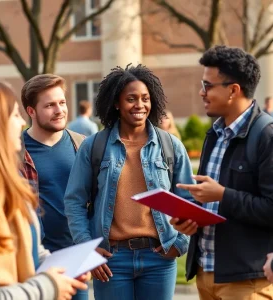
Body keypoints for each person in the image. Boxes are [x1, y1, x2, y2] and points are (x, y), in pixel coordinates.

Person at [64, 64, 194, 300]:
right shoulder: (94, 147)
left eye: (145, 98)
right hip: (112, 259)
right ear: (116, 103)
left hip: (160, 257)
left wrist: (180, 243)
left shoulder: (170, 146)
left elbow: (189, 200)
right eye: (131, 99)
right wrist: (88, 249)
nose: (139, 105)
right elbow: (74, 202)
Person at [171, 45, 273, 299]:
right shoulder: (215, 133)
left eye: (208, 86)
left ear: (233, 90)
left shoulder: (266, 135)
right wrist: (189, 216)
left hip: (248, 280)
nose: (201, 92)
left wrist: (222, 195)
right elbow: (213, 198)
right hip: (206, 273)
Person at [0, 78, 89, 300]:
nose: (20, 123)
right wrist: (49, 285)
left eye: (62, 103)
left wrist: (62, 269)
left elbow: (32, 251)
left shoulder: (10, 188)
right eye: (15, 115)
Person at [20, 74, 87, 300]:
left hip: (76, 258)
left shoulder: (82, 144)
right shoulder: (14, 151)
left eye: (62, 102)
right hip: (34, 262)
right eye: (49, 105)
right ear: (31, 112)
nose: (59, 110)